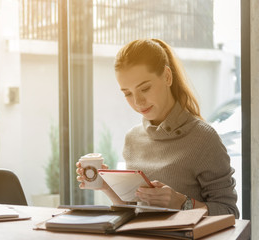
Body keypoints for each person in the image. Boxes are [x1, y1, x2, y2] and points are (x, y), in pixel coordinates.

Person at [76, 38, 239, 218]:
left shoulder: (203, 138)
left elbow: (229, 212)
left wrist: (182, 203)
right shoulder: (133, 139)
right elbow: (135, 210)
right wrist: (106, 186)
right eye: (128, 93)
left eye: (144, 88)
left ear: (167, 77)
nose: (138, 102)